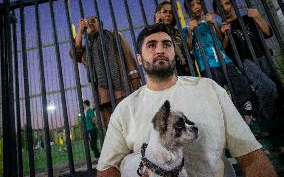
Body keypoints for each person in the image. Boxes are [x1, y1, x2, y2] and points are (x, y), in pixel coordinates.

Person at [96, 23, 277, 177]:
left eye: (166, 44)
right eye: (151, 45)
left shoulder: (209, 88)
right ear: (139, 59)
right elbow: (107, 168)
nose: (160, 50)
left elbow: (249, 153)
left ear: (175, 52)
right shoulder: (124, 109)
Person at [213, 0, 278, 138]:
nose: (225, 8)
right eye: (220, 6)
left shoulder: (248, 18)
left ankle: (272, 123)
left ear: (233, 4)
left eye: (227, 3)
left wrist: (258, 17)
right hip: (245, 60)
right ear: (217, 12)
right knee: (267, 87)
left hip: (263, 55)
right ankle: (263, 123)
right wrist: (225, 36)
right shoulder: (224, 28)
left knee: (276, 89)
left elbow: (268, 33)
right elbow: (224, 51)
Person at [182, 0, 255, 118]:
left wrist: (215, 25)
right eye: (192, 5)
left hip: (225, 60)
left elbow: (222, 43)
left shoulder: (211, 22)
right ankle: (228, 122)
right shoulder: (186, 29)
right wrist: (190, 31)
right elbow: (188, 49)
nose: (197, 7)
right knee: (218, 95)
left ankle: (247, 117)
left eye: (198, 3)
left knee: (242, 83)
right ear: (188, 10)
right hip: (208, 66)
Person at [70, 16, 141, 127]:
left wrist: (134, 76)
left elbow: (128, 55)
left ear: (100, 24)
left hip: (121, 88)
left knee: (131, 124)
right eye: (87, 23)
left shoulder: (114, 36)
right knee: (112, 130)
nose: (91, 24)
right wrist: (79, 30)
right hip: (102, 96)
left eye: (93, 21)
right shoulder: (86, 50)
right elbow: (74, 54)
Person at [154, 0, 190, 76]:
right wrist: (157, 23)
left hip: (184, 69)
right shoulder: (154, 32)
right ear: (158, 14)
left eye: (171, 12)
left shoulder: (178, 32)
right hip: (167, 70)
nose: (168, 14)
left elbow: (187, 50)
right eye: (165, 12)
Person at [83, 99, 100, 164]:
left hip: (92, 129)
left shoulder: (89, 110)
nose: (83, 106)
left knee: (93, 144)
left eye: (83, 104)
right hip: (89, 130)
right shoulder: (87, 111)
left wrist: (96, 125)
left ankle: (98, 157)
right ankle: (97, 157)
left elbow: (93, 119)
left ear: (85, 104)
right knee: (92, 144)